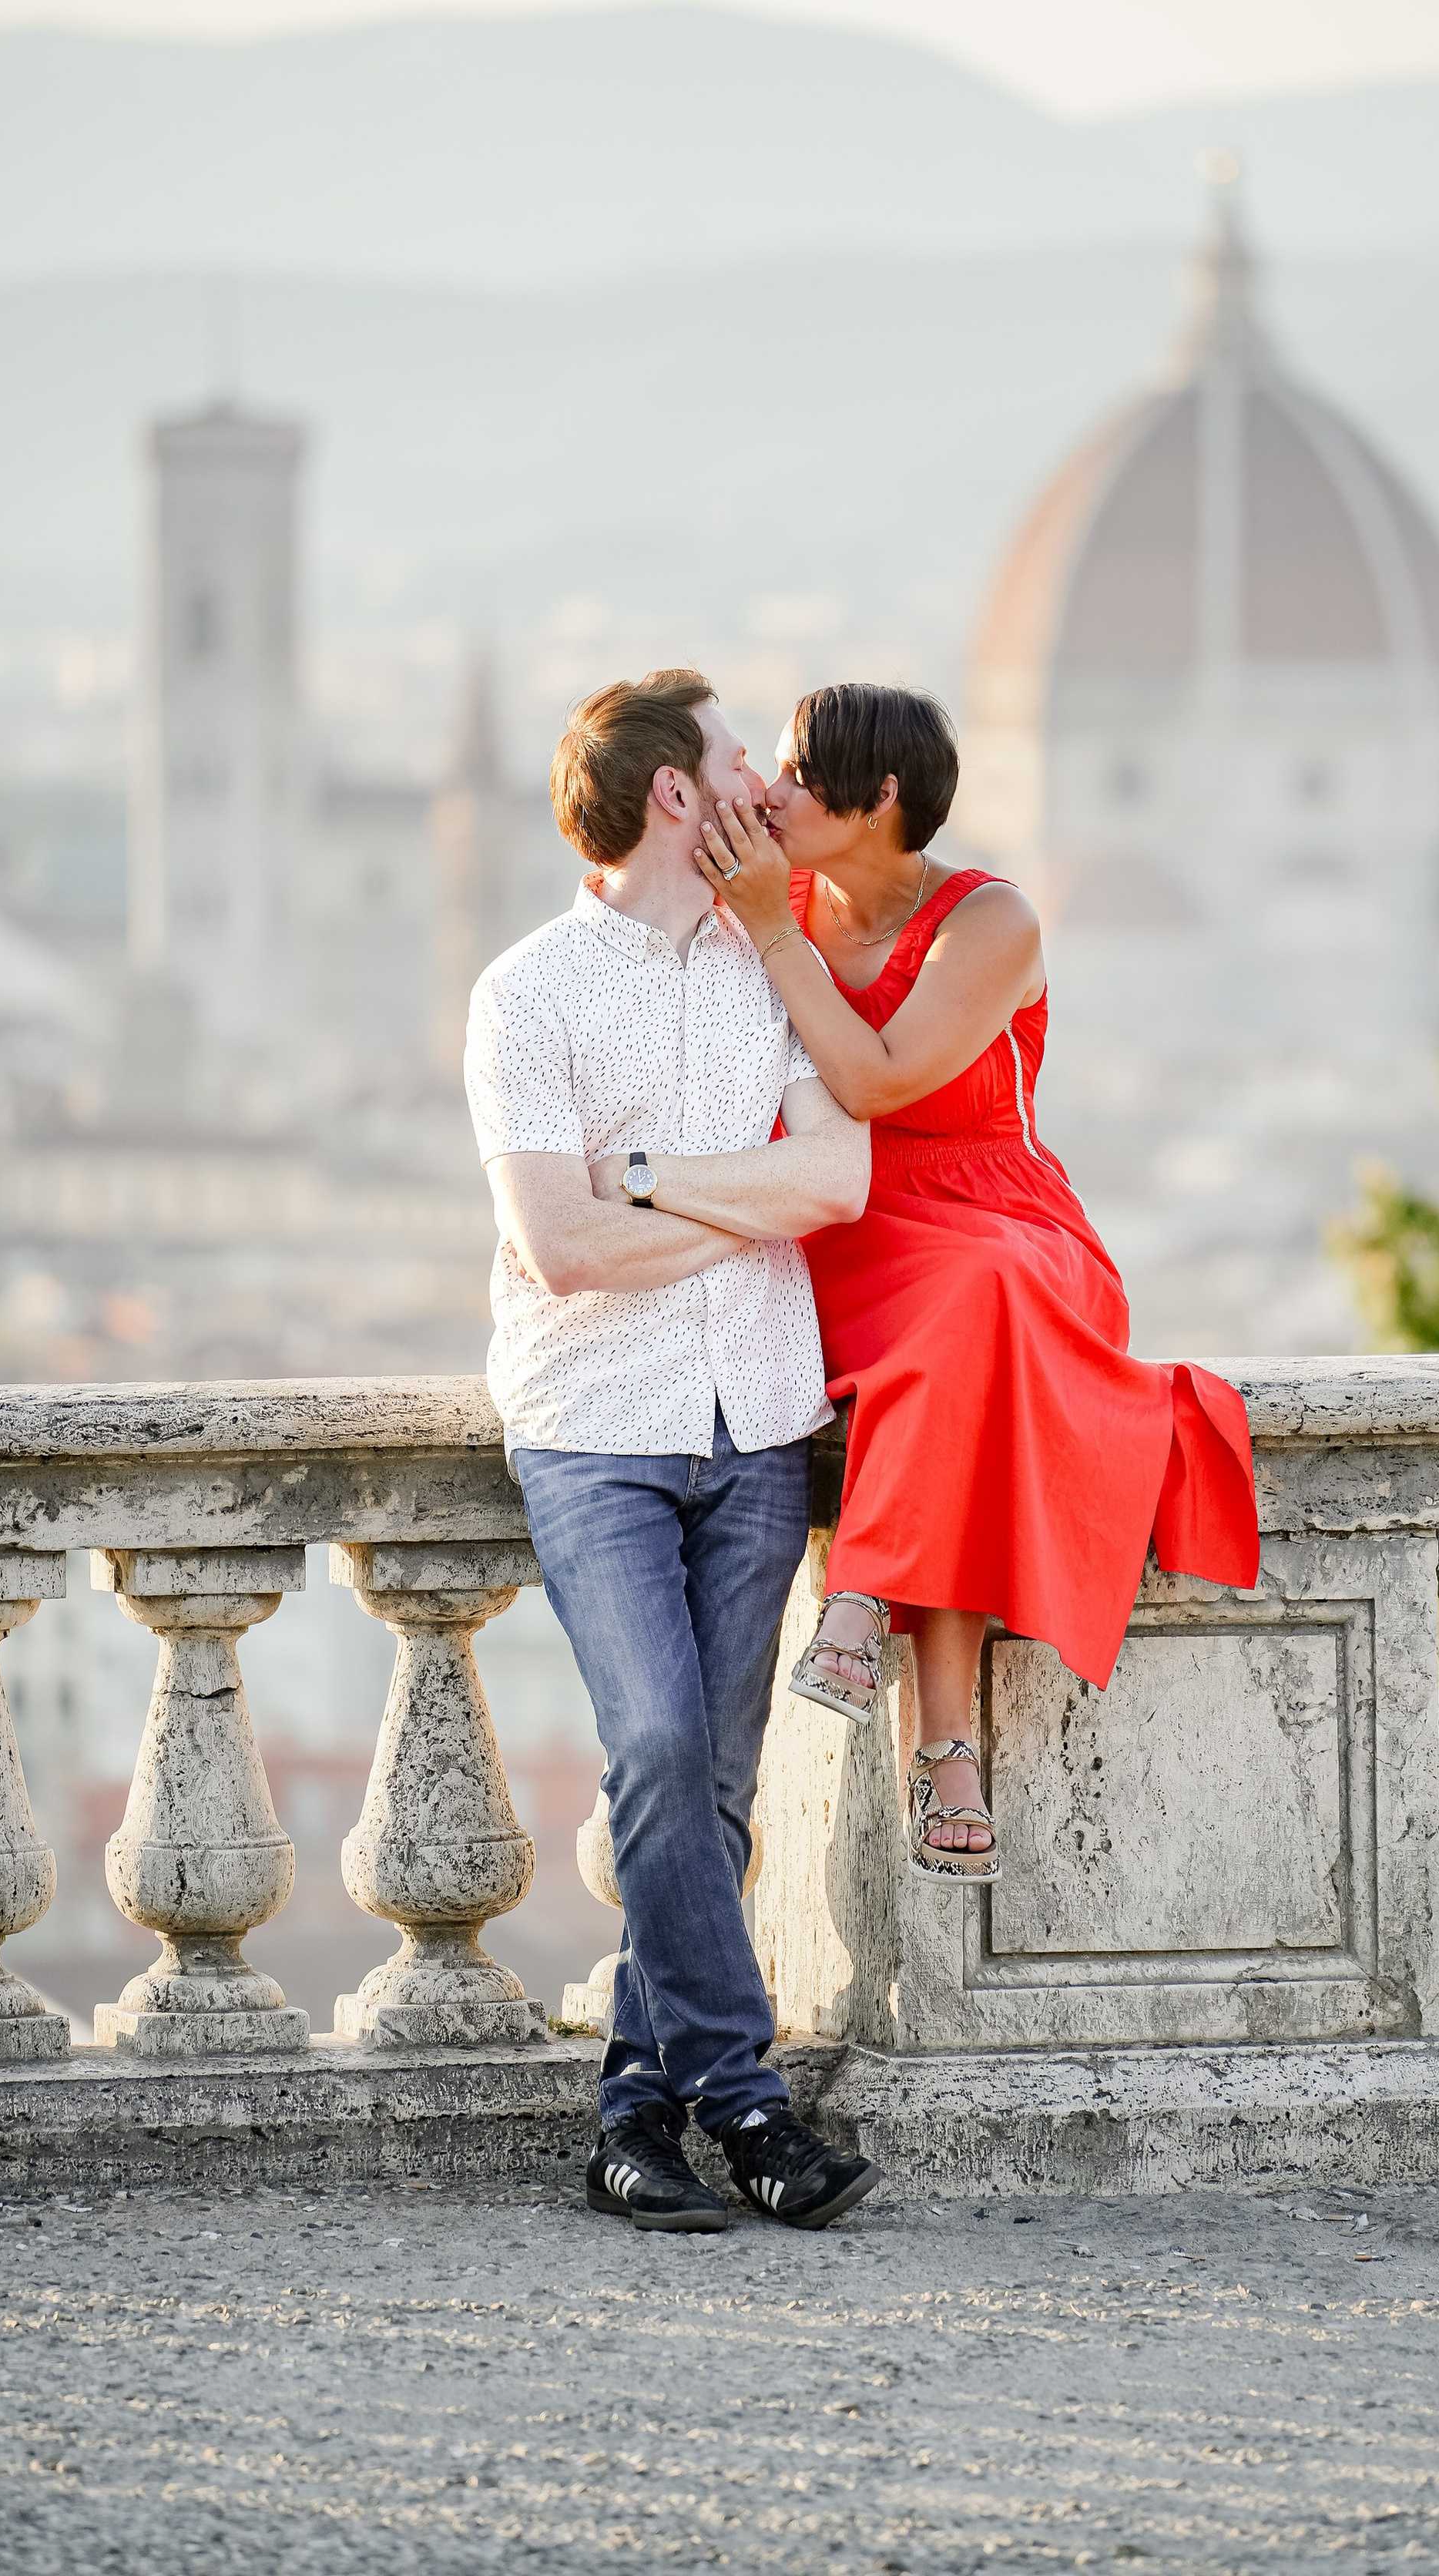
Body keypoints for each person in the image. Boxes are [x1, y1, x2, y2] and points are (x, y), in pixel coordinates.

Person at [690, 680, 1260, 1882]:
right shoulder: (767, 895)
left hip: (997, 1219)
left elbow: (884, 1080)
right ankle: (941, 1740)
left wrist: (775, 937)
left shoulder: (988, 922)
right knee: (958, 1361)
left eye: (800, 774)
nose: (779, 793)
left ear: (880, 796)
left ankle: (872, 1618)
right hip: (844, 1218)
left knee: (976, 1305)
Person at [464, 667, 882, 2235]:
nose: (764, 792)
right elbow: (554, 1249)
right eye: (735, 765)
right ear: (673, 800)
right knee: (650, 1753)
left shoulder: (769, 967)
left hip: (759, 1422)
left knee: (708, 1789)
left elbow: (834, 1184)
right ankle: (751, 2102)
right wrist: (727, 1207)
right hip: (595, 1432)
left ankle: (635, 2118)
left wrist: (638, 1180)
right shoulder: (528, 994)